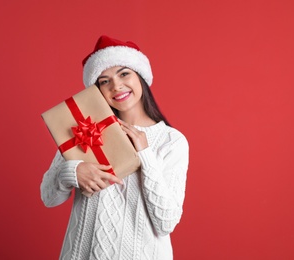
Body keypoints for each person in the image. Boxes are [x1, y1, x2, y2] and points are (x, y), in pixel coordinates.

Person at [40, 35, 189, 260]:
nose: (116, 86)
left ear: (141, 76)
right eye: (104, 80)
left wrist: (145, 154)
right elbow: (49, 197)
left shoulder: (171, 141)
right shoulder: (85, 128)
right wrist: (72, 171)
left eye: (124, 73)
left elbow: (165, 222)